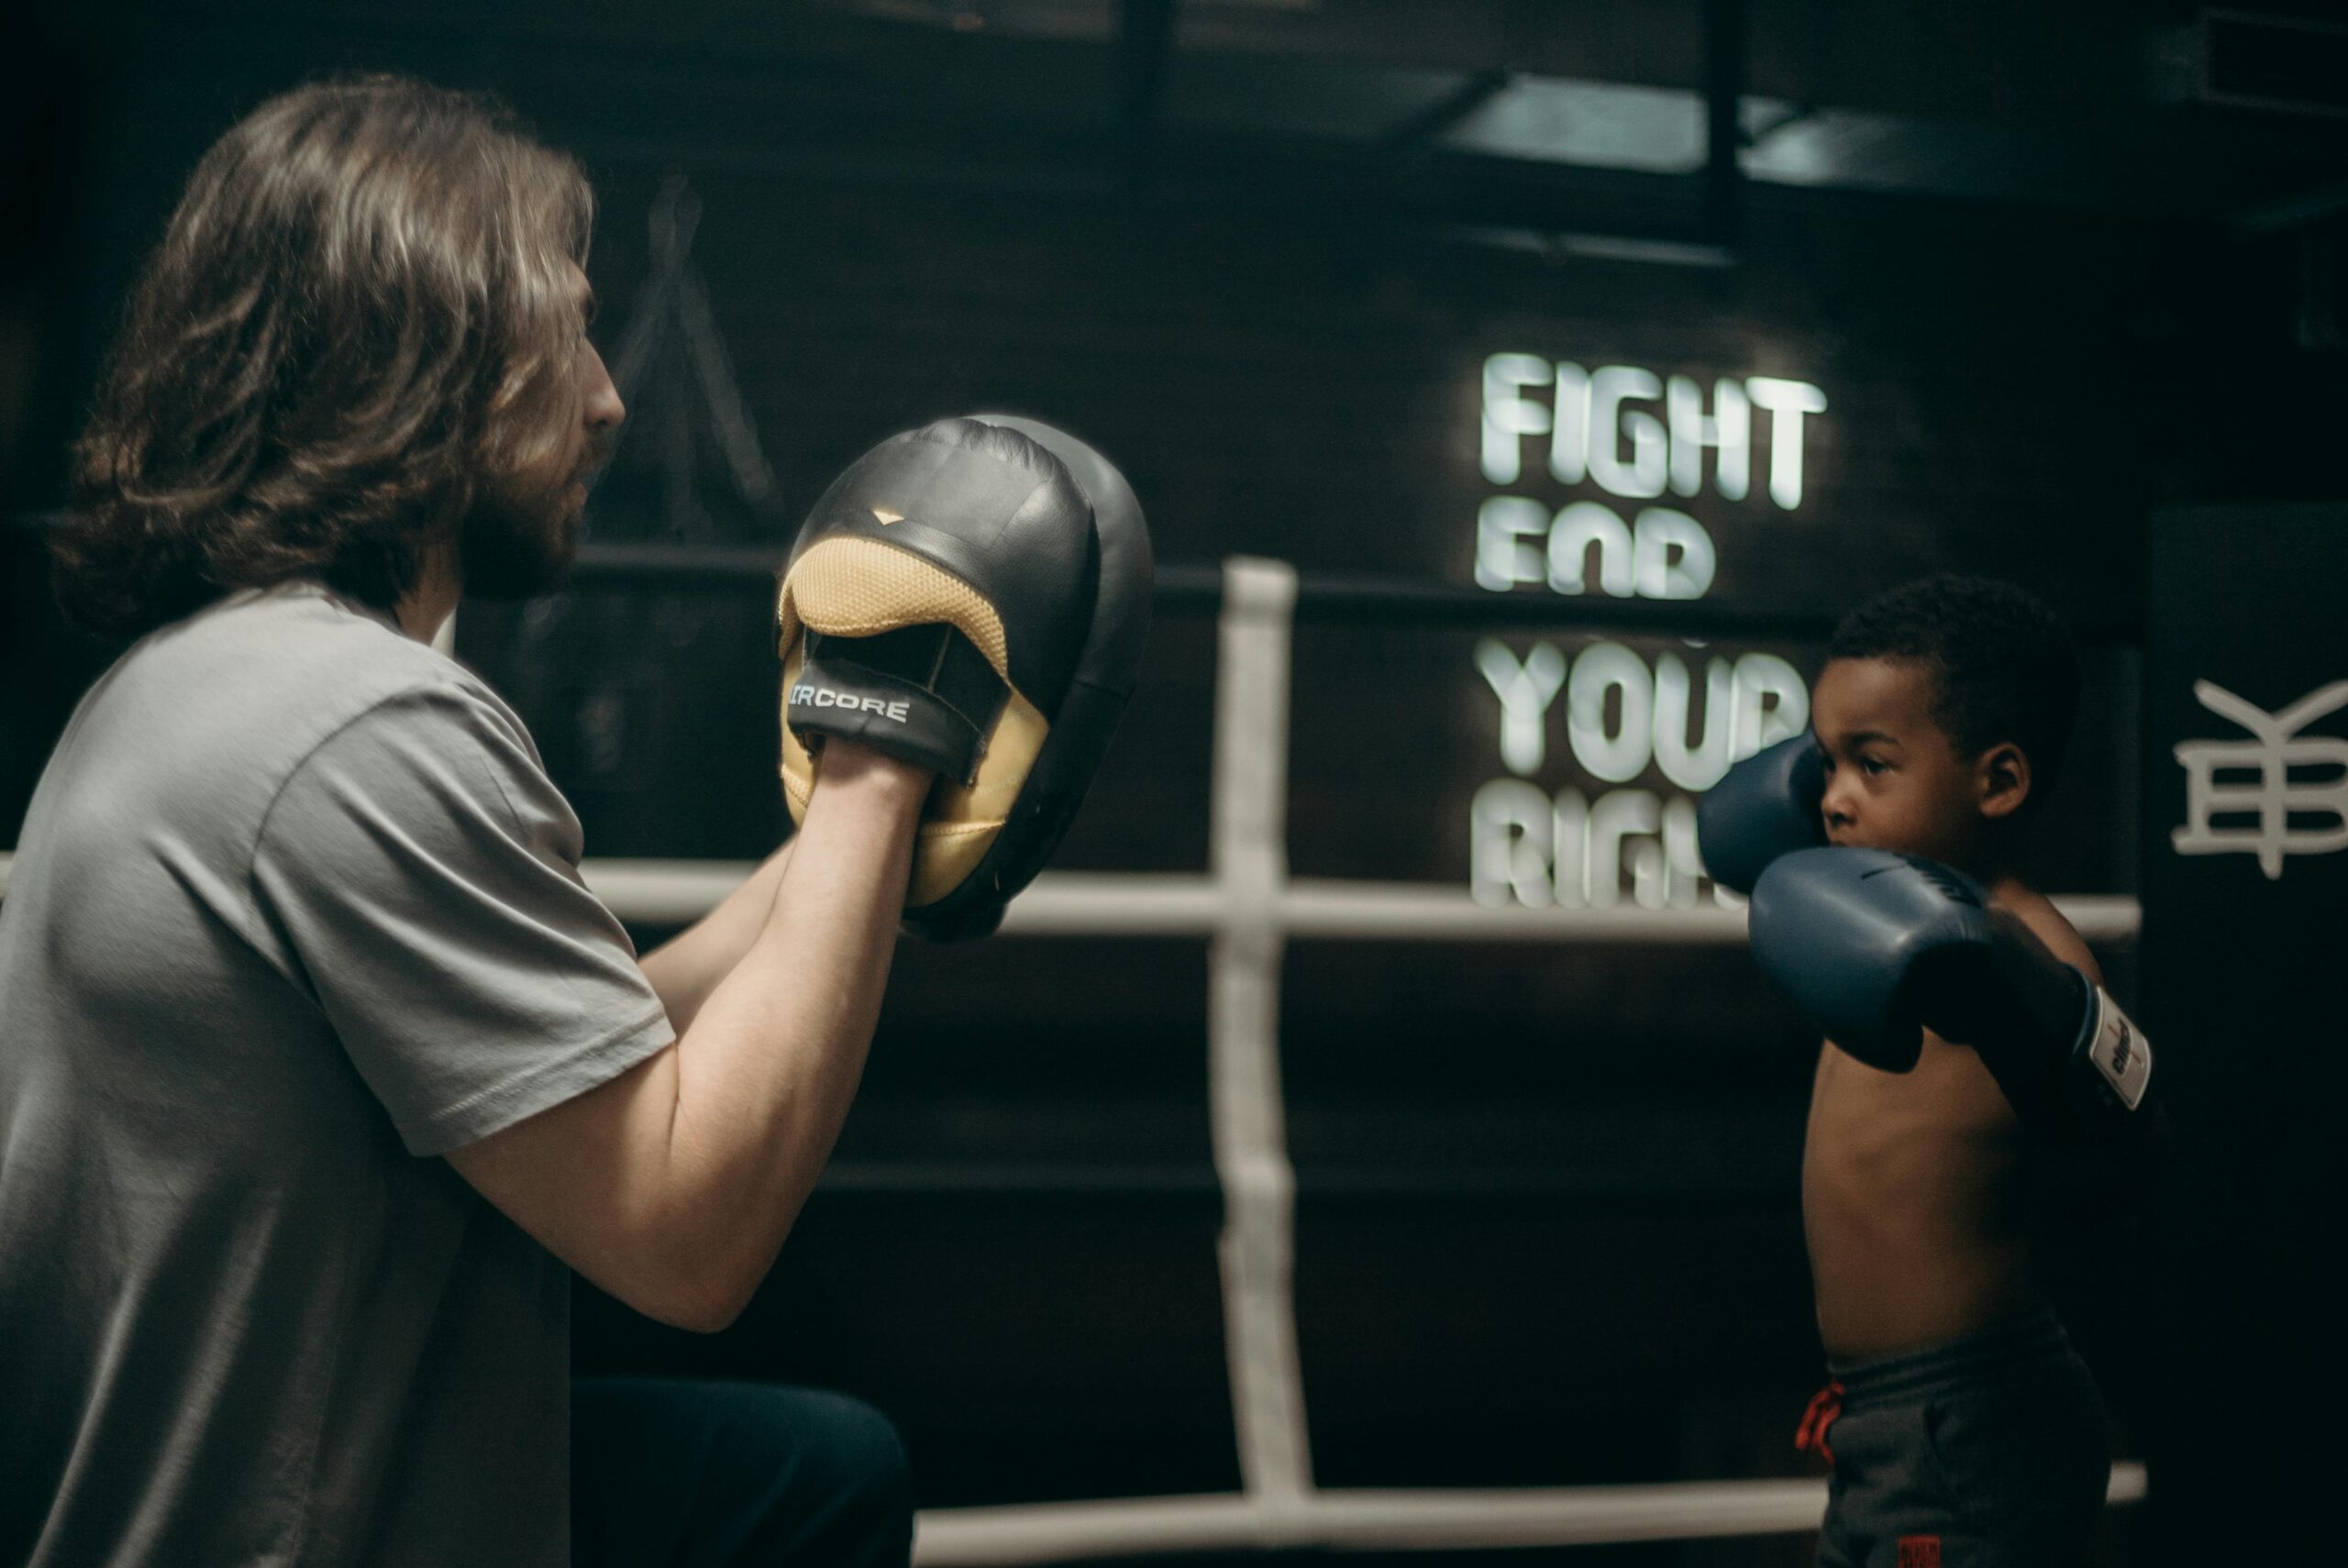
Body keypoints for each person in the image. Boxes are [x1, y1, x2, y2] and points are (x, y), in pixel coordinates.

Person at [0, 75, 973, 1568]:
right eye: (570, 325)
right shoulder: (365, 726)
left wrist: (846, 875)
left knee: (809, 1474)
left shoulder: (196, 685)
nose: (607, 397)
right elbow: (686, 1233)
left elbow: (547, 1057)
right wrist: (883, 746)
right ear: (432, 340)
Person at [1702, 574, 2136, 1567]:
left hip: (1970, 1412)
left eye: (1872, 763)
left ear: (1998, 783)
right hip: (1884, 1413)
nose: (1832, 797)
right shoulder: (1871, 914)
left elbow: (2123, 1115)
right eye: (1824, 760)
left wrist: (2028, 1004)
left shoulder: (2024, 953)